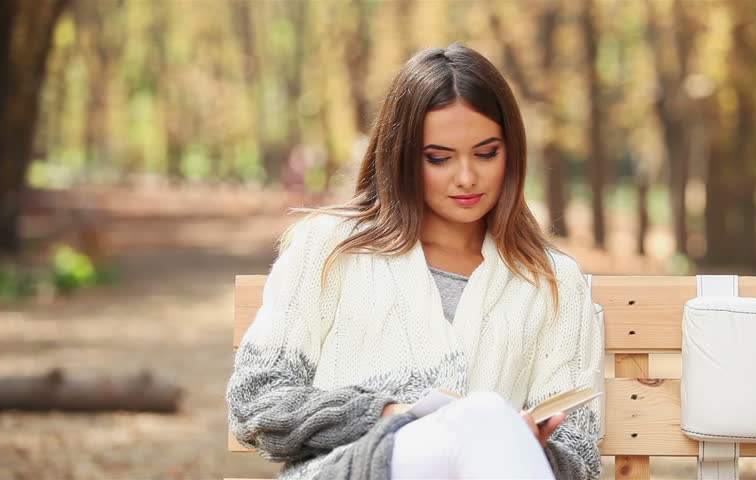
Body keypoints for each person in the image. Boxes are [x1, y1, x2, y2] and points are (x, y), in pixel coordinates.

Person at [226, 43, 603, 480]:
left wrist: (517, 443)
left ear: (512, 152)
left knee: (485, 421)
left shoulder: (553, 281)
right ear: (402, 155)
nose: (466, 177)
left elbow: (579, 453)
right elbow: (257, 399)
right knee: (481, 415)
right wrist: (389, 413)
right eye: (439, 158)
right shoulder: (328, 248)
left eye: (486, 153)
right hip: (353, 471)